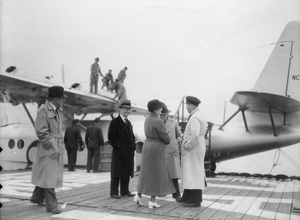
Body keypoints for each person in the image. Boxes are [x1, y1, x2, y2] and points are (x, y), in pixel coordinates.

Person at [30, 86, 67, 214]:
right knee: (50, 176)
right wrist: (53, 146)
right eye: (62, 98)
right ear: (55, 98)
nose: (63, 100)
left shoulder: (56, 110)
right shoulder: (43, 110)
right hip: (48, 148)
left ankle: (36, 198)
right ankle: (52, 206)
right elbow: (41, 132)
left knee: (47, 174)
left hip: (55, 146)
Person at [134, 99, 175, 209]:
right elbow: (166, 139)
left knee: (145, 173)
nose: (161, 109)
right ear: (156, 109)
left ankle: (138, 195)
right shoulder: (158, 121)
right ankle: (152, 201)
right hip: (157, 149)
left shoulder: (147, 119)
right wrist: (170, 136)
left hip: (147, 146)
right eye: (160, 108)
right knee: (156, 174)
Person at [177, 96, 208, 207]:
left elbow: (195, 134)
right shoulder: (198, 115)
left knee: (194, 173)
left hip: (193, 148)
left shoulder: (195, 117)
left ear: (192, 105)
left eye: (187, 105)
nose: (186, 107)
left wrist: (187, 145)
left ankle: (195, 200)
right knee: (189, 172)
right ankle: (187, 196)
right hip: (197, 147)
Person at [108, 100, 136, 199]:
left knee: (126, 172)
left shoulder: (128, 122)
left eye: (129, 109)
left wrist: (133, 147)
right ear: (120, 109)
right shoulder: (115, 122)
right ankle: (114, 192)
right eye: (125, 109)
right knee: (116, 173)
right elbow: (111, 137)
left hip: (128, 152)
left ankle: (125, 191)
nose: (127, 111)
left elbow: (132, 137)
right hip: (119, 152)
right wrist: (119, 146)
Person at [160, 103, 182, 199]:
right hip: (161, 150)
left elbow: (180, 135)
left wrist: (176, 141)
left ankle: (176, 193)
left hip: (172, 150)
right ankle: (162, 191)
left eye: (164, 115)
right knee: (161, 172)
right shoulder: (157, 122)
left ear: (167, 114)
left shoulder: (173, 122)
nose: (162, 117)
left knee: (174, 173)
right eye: (161, 115)